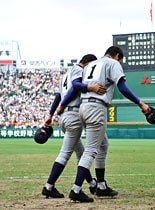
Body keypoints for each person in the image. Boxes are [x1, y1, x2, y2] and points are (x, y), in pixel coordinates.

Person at [65, 46, 151, 203]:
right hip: (96, 107)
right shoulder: (113, 63)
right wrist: (141, 104)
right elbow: (122, 87)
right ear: (117, 55)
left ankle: (101, 186)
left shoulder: (91, 64)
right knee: (91, 150)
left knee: (103, 145)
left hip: (82, 107)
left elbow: (76, 86)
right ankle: (76, 189)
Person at [41, 54, 106, 198]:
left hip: (64, 116)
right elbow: (75, 87)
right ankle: (49, 186)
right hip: (73, 114)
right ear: (87, 63)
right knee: (65, 154)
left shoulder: (65, 75)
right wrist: (90, 87)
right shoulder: (79, 70)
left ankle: (92, 183)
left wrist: (51, 115)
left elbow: (58, 96)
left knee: (81, 154)